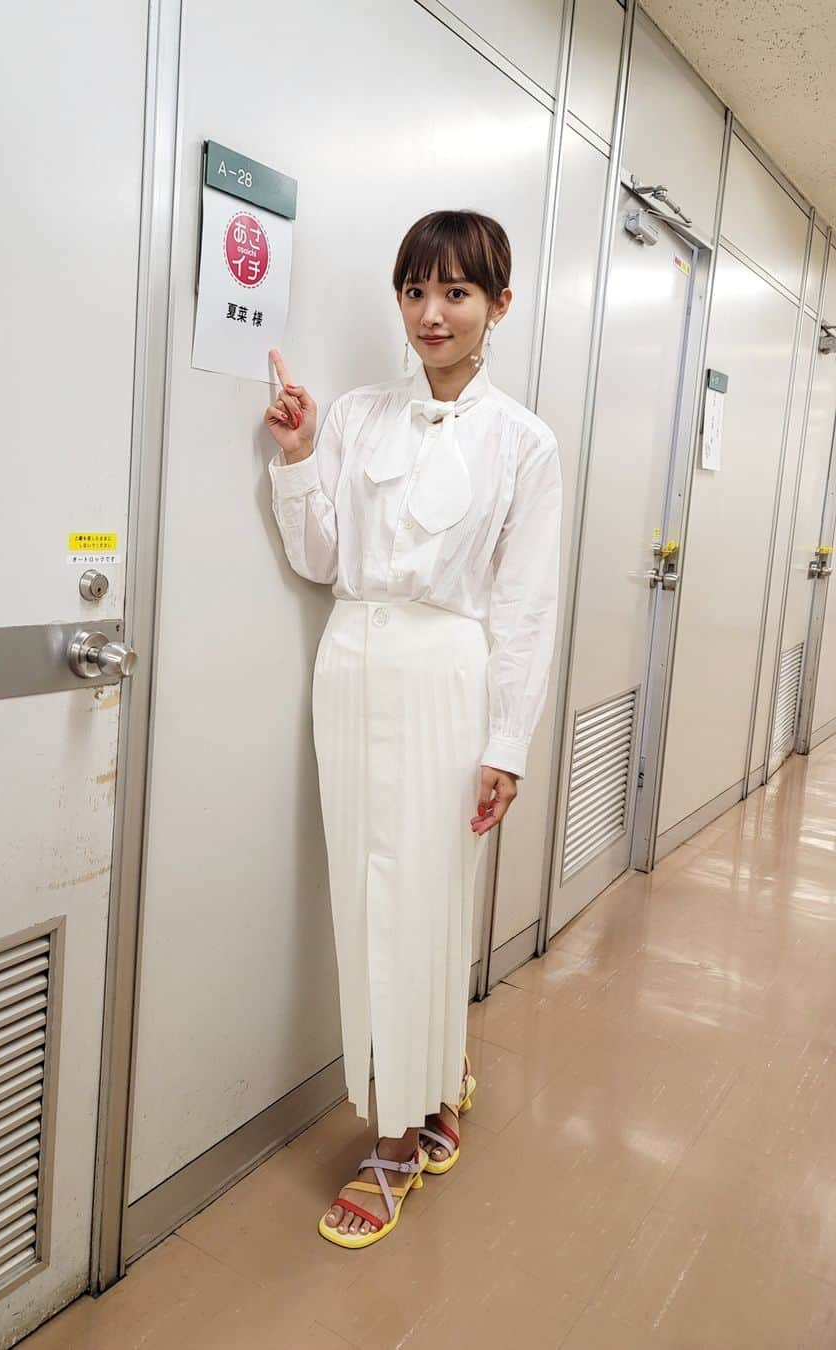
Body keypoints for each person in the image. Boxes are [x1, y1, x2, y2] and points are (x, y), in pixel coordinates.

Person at [264, 209, 562, 1249]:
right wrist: (300, 455)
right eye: (415, 291)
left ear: (499, 306)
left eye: (457, 294)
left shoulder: (524, 443)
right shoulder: (353, 415)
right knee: (365, 891)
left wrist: (506, 743)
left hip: (449, 675)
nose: (432, 315)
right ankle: (418, 1104)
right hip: (351, 662)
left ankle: (401, 1135)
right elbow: (317, 556)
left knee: (428, 896)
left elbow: (524, 606)